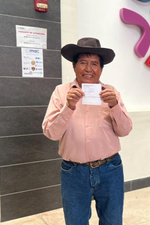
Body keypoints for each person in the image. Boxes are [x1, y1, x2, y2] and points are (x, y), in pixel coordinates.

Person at [42, 37, 132, 225]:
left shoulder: (111, 92)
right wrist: (68, 107)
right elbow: (51, 133)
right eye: (83, 62)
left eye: (94, 64)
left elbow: (124, 131)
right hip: (74, 171)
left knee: (113, 221)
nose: (89, 69)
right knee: (75, 221)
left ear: (101, 69)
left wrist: (114, 105)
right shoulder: (61, 92)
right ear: (74, 66)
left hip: (110, 168)